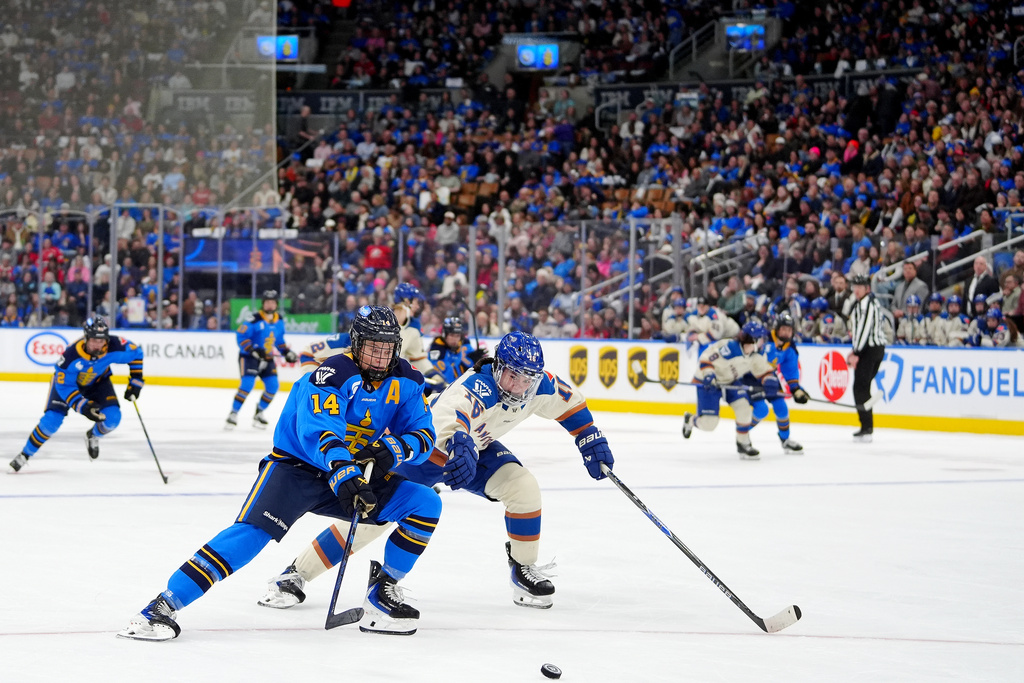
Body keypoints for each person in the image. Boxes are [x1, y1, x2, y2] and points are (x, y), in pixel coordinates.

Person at [118, 306, 440, 641]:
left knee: (425, 502)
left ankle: (381, 593)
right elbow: (319, 432)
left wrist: (394, 451)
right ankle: (163, 605)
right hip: (296, 468)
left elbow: (424, 434)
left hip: (350, 473)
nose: (380, 355)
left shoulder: (408, 379)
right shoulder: (332, 373)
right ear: (357, 343)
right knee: (252, 533)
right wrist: (346, 474)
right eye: (373, 346)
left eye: (387, 348)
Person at [255, 332, 614, 612]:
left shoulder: (539, 383)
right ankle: (296, 574)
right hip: (427, 454)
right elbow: (449, 421)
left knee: (523, 488)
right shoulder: (475, 387)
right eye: (514, 377)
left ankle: (523, 571)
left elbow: (573, 404)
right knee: (367, 521)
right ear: (498, 367)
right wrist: (461, 443)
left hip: (478, 449)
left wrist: (589, 437)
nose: (521, 387)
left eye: (528, 380)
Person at [10, 316, 144, 471]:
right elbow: (65, 386)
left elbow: (136, 354)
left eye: (101, 341)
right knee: (51, 421)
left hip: (98, 383)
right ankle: (25, 454)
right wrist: (82, 407)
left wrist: (136, 381)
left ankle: (93, 435)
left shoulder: (115, 346)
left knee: (113, 418)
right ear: (86, 338)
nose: (98, 345)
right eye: (94, 340)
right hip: (67, 386)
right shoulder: (70, 357)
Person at [681, 321, 778, 460]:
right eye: (761, 338)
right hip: (708, 382)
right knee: (709, 424)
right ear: (753, 340)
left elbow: (764, 371)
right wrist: (709, 374)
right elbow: (706, 359)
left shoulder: (755, 355)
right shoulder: (730, 347)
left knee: (744, 409)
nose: (764, 342)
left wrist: (769, 382)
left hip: (730, 382)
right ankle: (690, 419)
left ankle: (743, 443)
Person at [226, 290, 297, 429]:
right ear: (263, 304)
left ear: (276, 304)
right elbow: (241, 335)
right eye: (267, 302)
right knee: (247, 384)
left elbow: (279, 340)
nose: (270, 305)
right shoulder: (255, 319)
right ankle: (233, 414)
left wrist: (287, 352)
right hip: (249, 357)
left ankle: (259, 413)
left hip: (267, 358)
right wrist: (252, 349)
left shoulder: (279, 320)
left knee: (273, 386)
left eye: (272, 302)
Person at [746, 312, 810, 454]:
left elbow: (790, 371)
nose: (787, 333)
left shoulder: (790, 348)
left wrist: (796, 389)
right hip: (751, 377)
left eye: (790, 330)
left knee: (781, 407)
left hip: (770, 378)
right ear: (777, 328)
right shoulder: (763, 338)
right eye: (784, 329)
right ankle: (742, 434)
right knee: (761, 409)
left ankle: (785, 440)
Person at [847, 273, 886, 442]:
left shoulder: (867, 304)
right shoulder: (863, 303)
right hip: (870, 349)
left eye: (860, 287)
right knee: (863, 388)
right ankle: (866, 426)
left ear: (867, 288)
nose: (856, 290)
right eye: (855, 287)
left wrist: (856, 352)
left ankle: (867, 427)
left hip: (870, 349)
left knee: (860, 388)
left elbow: (863, 330)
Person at [429, 316, 482, 384]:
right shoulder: (437, 348)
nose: (455, 339)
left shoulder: (464, 344)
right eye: (451, 335)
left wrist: (478, 362)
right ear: (444, 334)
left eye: (457, 336)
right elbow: (446, 375)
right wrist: (464, 366)